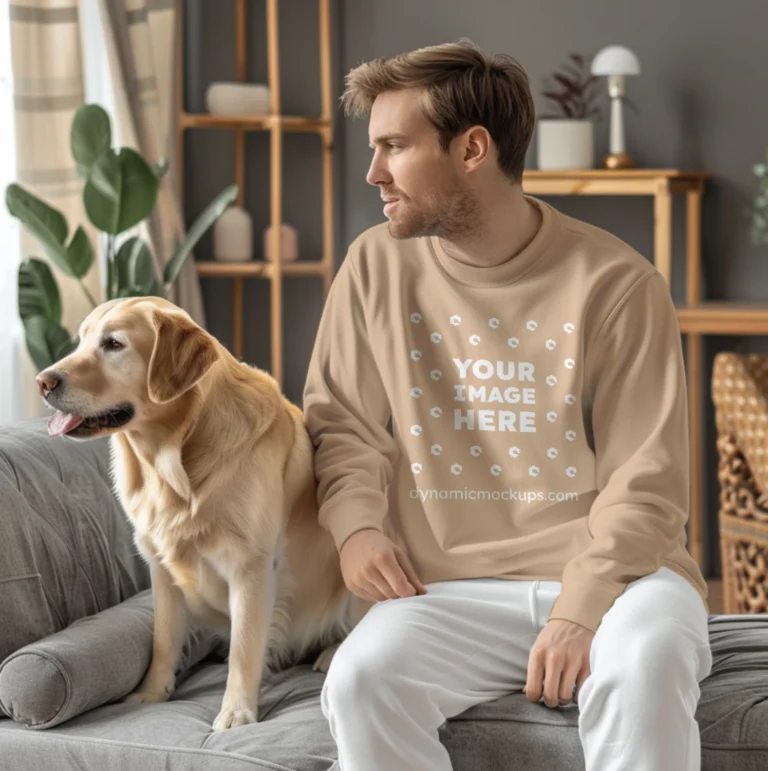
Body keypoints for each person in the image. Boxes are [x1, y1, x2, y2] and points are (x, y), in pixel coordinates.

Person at [302, 38, 712, 771]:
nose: (373, 172)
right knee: (360, 679)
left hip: (623, 579)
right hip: (449, 588)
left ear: (472, 150)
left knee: (645, 664)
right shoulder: (372, 266)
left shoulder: (617, 283)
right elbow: (343, 424)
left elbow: (645, 482)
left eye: (394, 146)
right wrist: (356, 526)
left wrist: (577, 609)